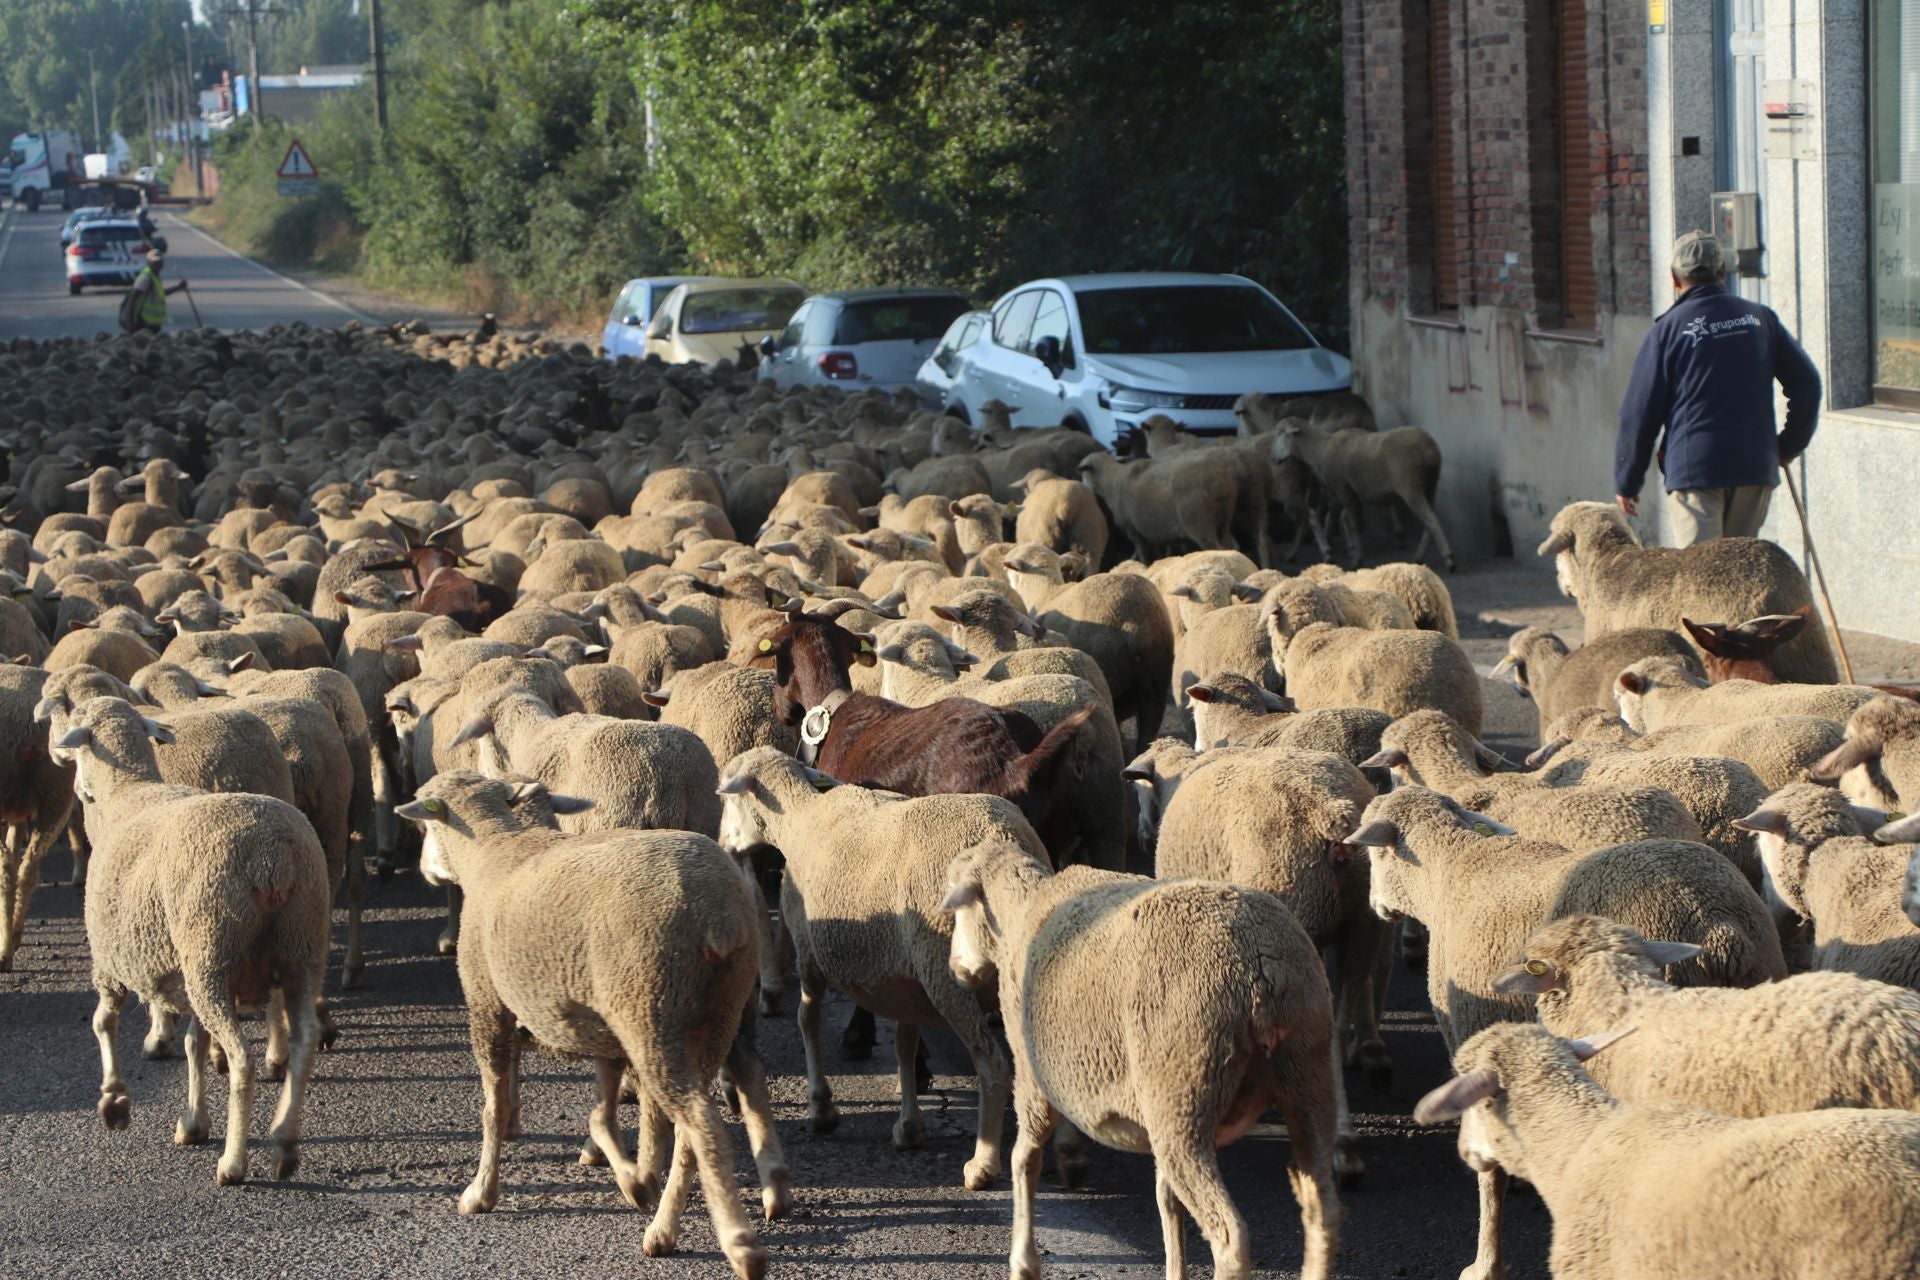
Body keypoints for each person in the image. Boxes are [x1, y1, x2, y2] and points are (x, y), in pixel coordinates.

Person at [1614, 230, 1822, 545]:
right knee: (1735, 580)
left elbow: (1640, 413)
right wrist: (1787, 446)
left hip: (1696, 471)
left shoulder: (1667, 331)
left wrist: (1627, 481)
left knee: (1701, 584)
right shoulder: (1759, 318)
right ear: (1723, 272)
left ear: (1674, 278)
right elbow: (1807, 383)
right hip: (1754, 468)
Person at [121, 249, 187, 334]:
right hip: (141, 325)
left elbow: (160, 294)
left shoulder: (155, 277)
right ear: (148, 262)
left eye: (159, 262)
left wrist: (178, 287)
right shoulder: (146, 277)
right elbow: (132, 299)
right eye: (154, 262)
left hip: (152, 325)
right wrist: (130, 327)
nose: (157, 264)